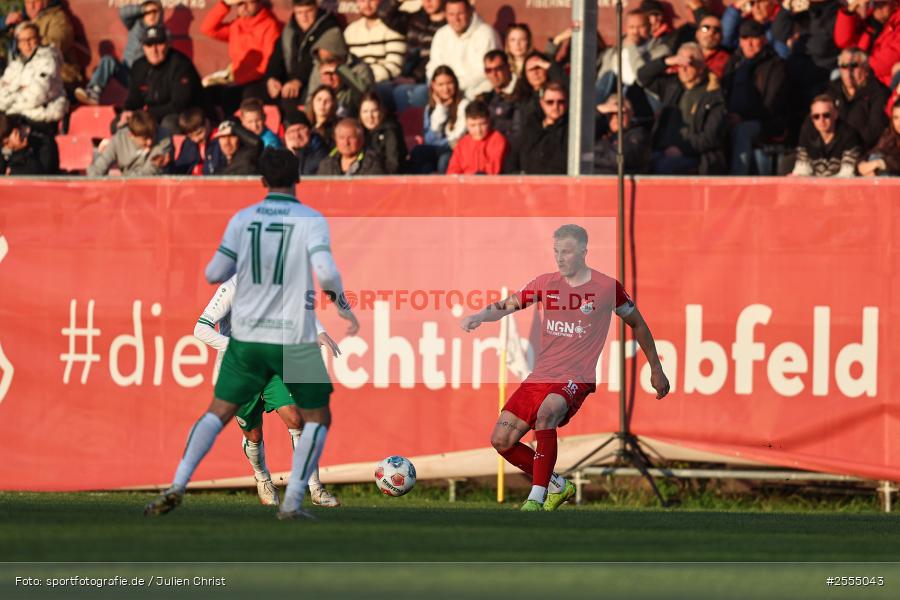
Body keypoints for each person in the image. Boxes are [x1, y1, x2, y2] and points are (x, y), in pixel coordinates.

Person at [144, 148, 359, 520]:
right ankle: (287, 499)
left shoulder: (243, 219)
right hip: (281, 344)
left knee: (223, 414)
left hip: (249, 346)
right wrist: (342, 308)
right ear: (299, 180)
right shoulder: (309, 218)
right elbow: (324, 272)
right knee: (313, 419)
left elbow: (215, 271)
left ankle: (178, 485)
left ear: (261, 183)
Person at [459, 224, 669, 511]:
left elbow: (639, 325)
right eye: (556, 251)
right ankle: (558, 486)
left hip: (576, 377)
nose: (560, 258)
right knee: (502, 440)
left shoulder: (607, 288)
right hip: (540, 375)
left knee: (547, 414)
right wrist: (480, 315)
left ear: (584, 252)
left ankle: (535, 499)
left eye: (567, 252)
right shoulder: (546, 283)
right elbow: (509, 304)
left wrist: (656, 368)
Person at [193, 274, 342, 508]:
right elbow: (200, 329)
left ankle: (315, 488)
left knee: (296, 418)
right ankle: (262, 476)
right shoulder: (231, 288)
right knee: (254, 435)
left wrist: (319, 331)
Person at [637, 42, 727, 175]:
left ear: (701, 67)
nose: (684, 69)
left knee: (661, 167)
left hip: (693, 154)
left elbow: (710, 137)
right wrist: (667, 61)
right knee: (635, 164)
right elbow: (643, 76)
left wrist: (682, 149)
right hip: (660, 149)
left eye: (690, 64)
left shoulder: (713, 95)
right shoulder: (672, 86)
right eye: (680, 65)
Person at [721, 19, 788, 175]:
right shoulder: (733, 63)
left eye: (754, 38)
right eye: (745, 38)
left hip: (765, 122)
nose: (749, 43)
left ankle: (737, 182)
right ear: (740, 41)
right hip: (731, 118)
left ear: (763, 39)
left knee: (742, 130)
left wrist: (742, 117)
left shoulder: (775, 65)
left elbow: (773, 104)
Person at [200, 0, 282, 116]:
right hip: (238, 80)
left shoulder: (270, 25)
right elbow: (207, 29)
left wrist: (241, 80)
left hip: (259, 81)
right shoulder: (236, 25)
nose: (244, 7)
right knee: (207, 94)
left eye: (249, 2)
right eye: (240, 3)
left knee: (242, 96)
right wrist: (225, 4)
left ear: (259, 3)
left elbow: (269, 63)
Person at [74, 1, 163, 105]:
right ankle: (94, 92)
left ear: (160, 14)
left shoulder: (163, 34)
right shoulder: (135, 24)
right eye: (148, 12)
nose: (152, 15)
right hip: (128, 73)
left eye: (155, 12)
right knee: (108, 60)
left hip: (147, 79)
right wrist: (141, 9)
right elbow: (123, 13)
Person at [121, 25, 203, 134]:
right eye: (149, 45)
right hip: (150, 115)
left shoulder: (181, 64)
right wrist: (128, 112)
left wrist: (147, 113)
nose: (154, 50)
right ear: (143, 47)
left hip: (185, 115)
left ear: (168, 44)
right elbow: (133, 99)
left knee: (169, 124)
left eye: (159, 44)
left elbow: (180, 104)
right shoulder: (138, 66)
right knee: (120, 123)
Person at [264, 0, 342, 113]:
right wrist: (272, 77)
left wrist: (298, 80)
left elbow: (317, 60)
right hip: (289, 81)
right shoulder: (290, 29)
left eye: (308, 11)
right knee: (255, 95)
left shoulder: (329, 28)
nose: (304, 17)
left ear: (316, 8)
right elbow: (278, 55)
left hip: (315, 82)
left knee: (290, 101)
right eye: (299, 13)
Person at [0, 21, 67, 137]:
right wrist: (21, 90)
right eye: (22, 40)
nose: (27, 44)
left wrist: (12, 95)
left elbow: (36, 96)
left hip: (42, 118)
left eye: (31, 39)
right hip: (15, 116)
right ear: (18, 44)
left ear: (39, 39)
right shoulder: (15, 65)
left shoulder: (49, 60)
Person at [378, 0, 446, 112]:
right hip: (405, 75)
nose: (428, 2)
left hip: (427, 79)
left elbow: (434, 59)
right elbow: (383, 14)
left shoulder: (448, 26)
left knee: (404, 92)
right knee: (380, 90)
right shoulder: (416, 19)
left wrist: (413, 78)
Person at [426, 0, 500, 100]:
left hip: (476, 93)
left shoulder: (486, 34)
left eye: (460, 13)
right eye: (451, 14)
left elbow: (484, 72)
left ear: (470, 12)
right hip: (445, 90)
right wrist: (440, 86)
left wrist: (454, 86)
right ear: (445, 14)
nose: (456, 19)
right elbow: (433, 65)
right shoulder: (441, 34)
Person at [5, 0, 83, 90]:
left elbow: (55, 46)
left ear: (46, 1)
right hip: (29, 75)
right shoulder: (25, 21)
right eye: (28, 3)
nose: (31, 6)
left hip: (60, 77)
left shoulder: (58, 18)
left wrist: (27, 36)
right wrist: (13, 25)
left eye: (35, 2)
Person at [826, 48, 889, 151]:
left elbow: (874, 131)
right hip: (831, 149)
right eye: (844, 66)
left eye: (854, 66)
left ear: (866, 68)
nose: (848, 71)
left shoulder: (879, 93)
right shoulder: (832, 90)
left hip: (862, 151)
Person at [305, 29, 375, 119]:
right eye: (321, 60)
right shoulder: (318, 68)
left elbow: (367, 97)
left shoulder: (360, 69)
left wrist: (342, 72)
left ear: (341, 57)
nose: (325, 64)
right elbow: (310, 101)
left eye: (330, 60)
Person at [410, 65, 468, 173]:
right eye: (440, 85)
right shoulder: (431, 108)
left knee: (444, 160)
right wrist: (441, 108)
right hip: (436, 149)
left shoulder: (463, 105)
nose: (445, 89)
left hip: (454, 149)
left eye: (449, 83)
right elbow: (430, 138)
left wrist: (441, 142)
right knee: (418, 153)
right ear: (433, 86)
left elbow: (457, 138)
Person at [504, 80, 568, 174]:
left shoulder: (572, 131)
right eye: (550, 102)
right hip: (528, 186)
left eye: (561, 102)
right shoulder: (529, 129)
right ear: (542, 103)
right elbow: (511, 161)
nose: (555, 106)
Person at [834, 0, 900, 89]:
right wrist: (849, 11)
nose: (877, 7)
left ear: (895, 4)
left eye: (882, 3)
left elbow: (886, 63)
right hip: (861, 78)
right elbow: (843, 41)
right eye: (874, 3)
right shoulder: (871, 20)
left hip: (883, 86)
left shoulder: (896, 23)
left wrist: (859, 62)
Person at [791, 94, 862, 176]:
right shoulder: (806, 134)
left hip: (841, 185)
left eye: (826, 115)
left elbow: (847, 174)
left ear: (835, 114)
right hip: (815, 184)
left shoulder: (849, 135)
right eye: (816, 116)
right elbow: (802, 169)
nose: (821, 120)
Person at [86, 110, 172, 176]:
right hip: (127, 186)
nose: (149, 142)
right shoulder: (119, 139)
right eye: (145, 139)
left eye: (152, 136)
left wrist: (122, 182)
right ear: (131, 135)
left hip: (156, 188)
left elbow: (150, 172)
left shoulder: (163, 137)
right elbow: (99, 166)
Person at [344, 0, 406, 84]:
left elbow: (394, 67)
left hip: (383, 82)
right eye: (362, 1)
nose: (367, 4)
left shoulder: (393, 28)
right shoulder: (350, 31)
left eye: (372, 0)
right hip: (356, 82)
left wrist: (366, 78)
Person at [594, 94, 651, 175]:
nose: (617, 117)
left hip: (623, 182)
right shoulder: (600, 132)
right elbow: (577, 146)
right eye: (612, 113)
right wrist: (597, 112)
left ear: (631, 114)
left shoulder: (638, 134)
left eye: (622, 113)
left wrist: (589, 156)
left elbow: (617, 160)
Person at [446, 99, 507, 174]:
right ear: (466, 124)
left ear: (489, 121)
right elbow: (453, 169)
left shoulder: (497, 139)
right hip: (464, 183)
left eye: (482, 124)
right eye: (473, 125)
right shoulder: (463, 143)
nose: (478, 130)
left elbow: (492, 169)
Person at [316, 117, 386, 175]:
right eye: (342, 138)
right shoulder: (326, 164)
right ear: (336, 139)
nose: (346, 142)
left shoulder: (373, 163)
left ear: (361, 139)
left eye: (351, 138)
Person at [477, 50, 520, 143]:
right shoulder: (485, 98)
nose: (494, 74)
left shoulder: (520, 93)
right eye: (489, 70)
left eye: (498, 69)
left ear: (508, 68)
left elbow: (518, 133)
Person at [359, 91, 406, 174]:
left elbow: (393, 165)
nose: (370, 116)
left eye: (374, 111)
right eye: (365, 111)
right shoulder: (358, 132)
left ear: (382, 111)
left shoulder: (391, 132)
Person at [721, 0, 788, 59]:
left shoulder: (783, 22)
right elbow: (726, 39)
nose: (756, 7)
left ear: (773, 2)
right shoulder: (744, 25)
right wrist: (736, 6)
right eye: (752, 3)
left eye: (761, 2)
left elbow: (783, 55)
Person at [858, 98, 900, 175]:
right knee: (873, 158)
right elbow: (873, 152)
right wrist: (862, 164)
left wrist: (882, 163)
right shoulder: (890, 135)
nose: (899, 123)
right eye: (896, 118)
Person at [283, 110, 328, 175]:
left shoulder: (321, 153)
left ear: (310, 130)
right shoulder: (279, 153)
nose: (297, 135)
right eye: (291, 131)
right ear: (285, 135)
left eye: (301, 129)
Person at [172, 107, 213, 175]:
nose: (196, 139)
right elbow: (179, 168)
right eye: (191, 136)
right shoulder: (188, 144)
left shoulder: (218, 140)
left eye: (199, 133)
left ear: (207, 122)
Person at [695, 14, 731, 79]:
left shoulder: (728, 61)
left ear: (722, 36)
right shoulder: (686, 53)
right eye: (705, 28)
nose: (711, 33)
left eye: (717, 30)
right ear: (697, 33)